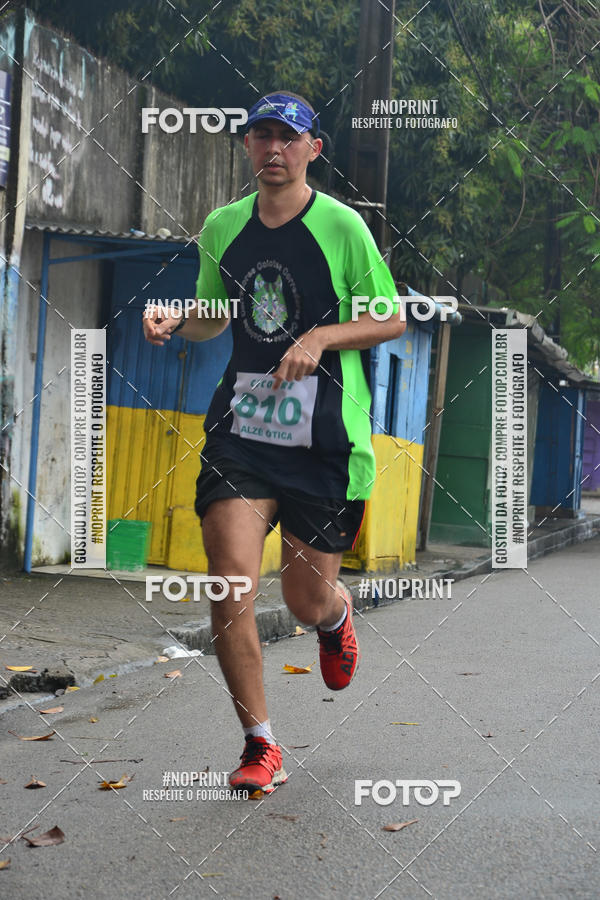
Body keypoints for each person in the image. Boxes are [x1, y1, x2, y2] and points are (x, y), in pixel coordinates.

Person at [143, 91, 405, 794]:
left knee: (302, 600)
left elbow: (392, 320)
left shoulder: (343, 228)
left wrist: (320, 336)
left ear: (313, 149)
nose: (272, 149)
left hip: (323, 440)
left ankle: (334, 617)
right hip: (243, 433)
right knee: (229, 581)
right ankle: (261, 742)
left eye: (287, 138)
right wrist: (178, 319)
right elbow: (216, 317)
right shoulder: (223, 225)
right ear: (249, 147)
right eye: (260, 136)